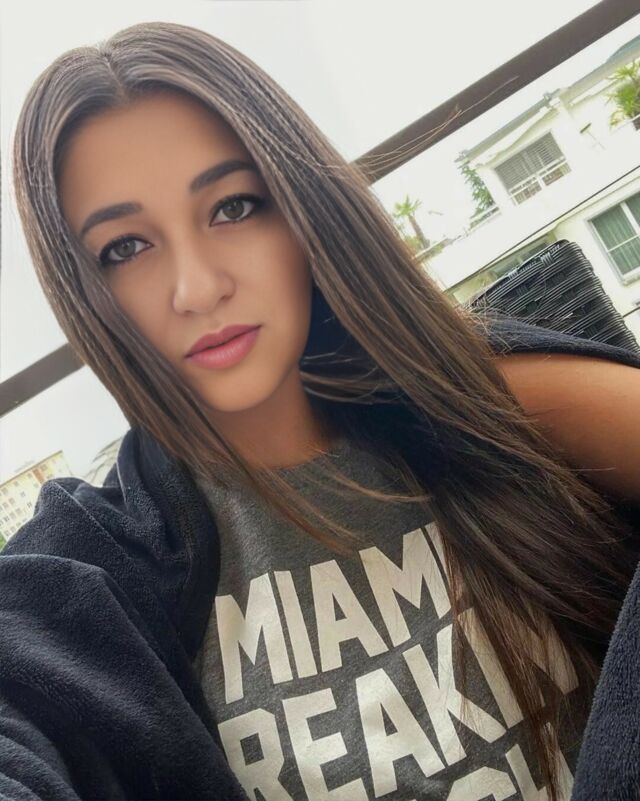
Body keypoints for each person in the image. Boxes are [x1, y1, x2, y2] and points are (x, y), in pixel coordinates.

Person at [2, 19, 640, 801]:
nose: (197, 288)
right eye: (125, 249)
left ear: (303, 209)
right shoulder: (96, 567)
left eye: (233, 206)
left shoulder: (491, 399)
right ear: (83, 289)